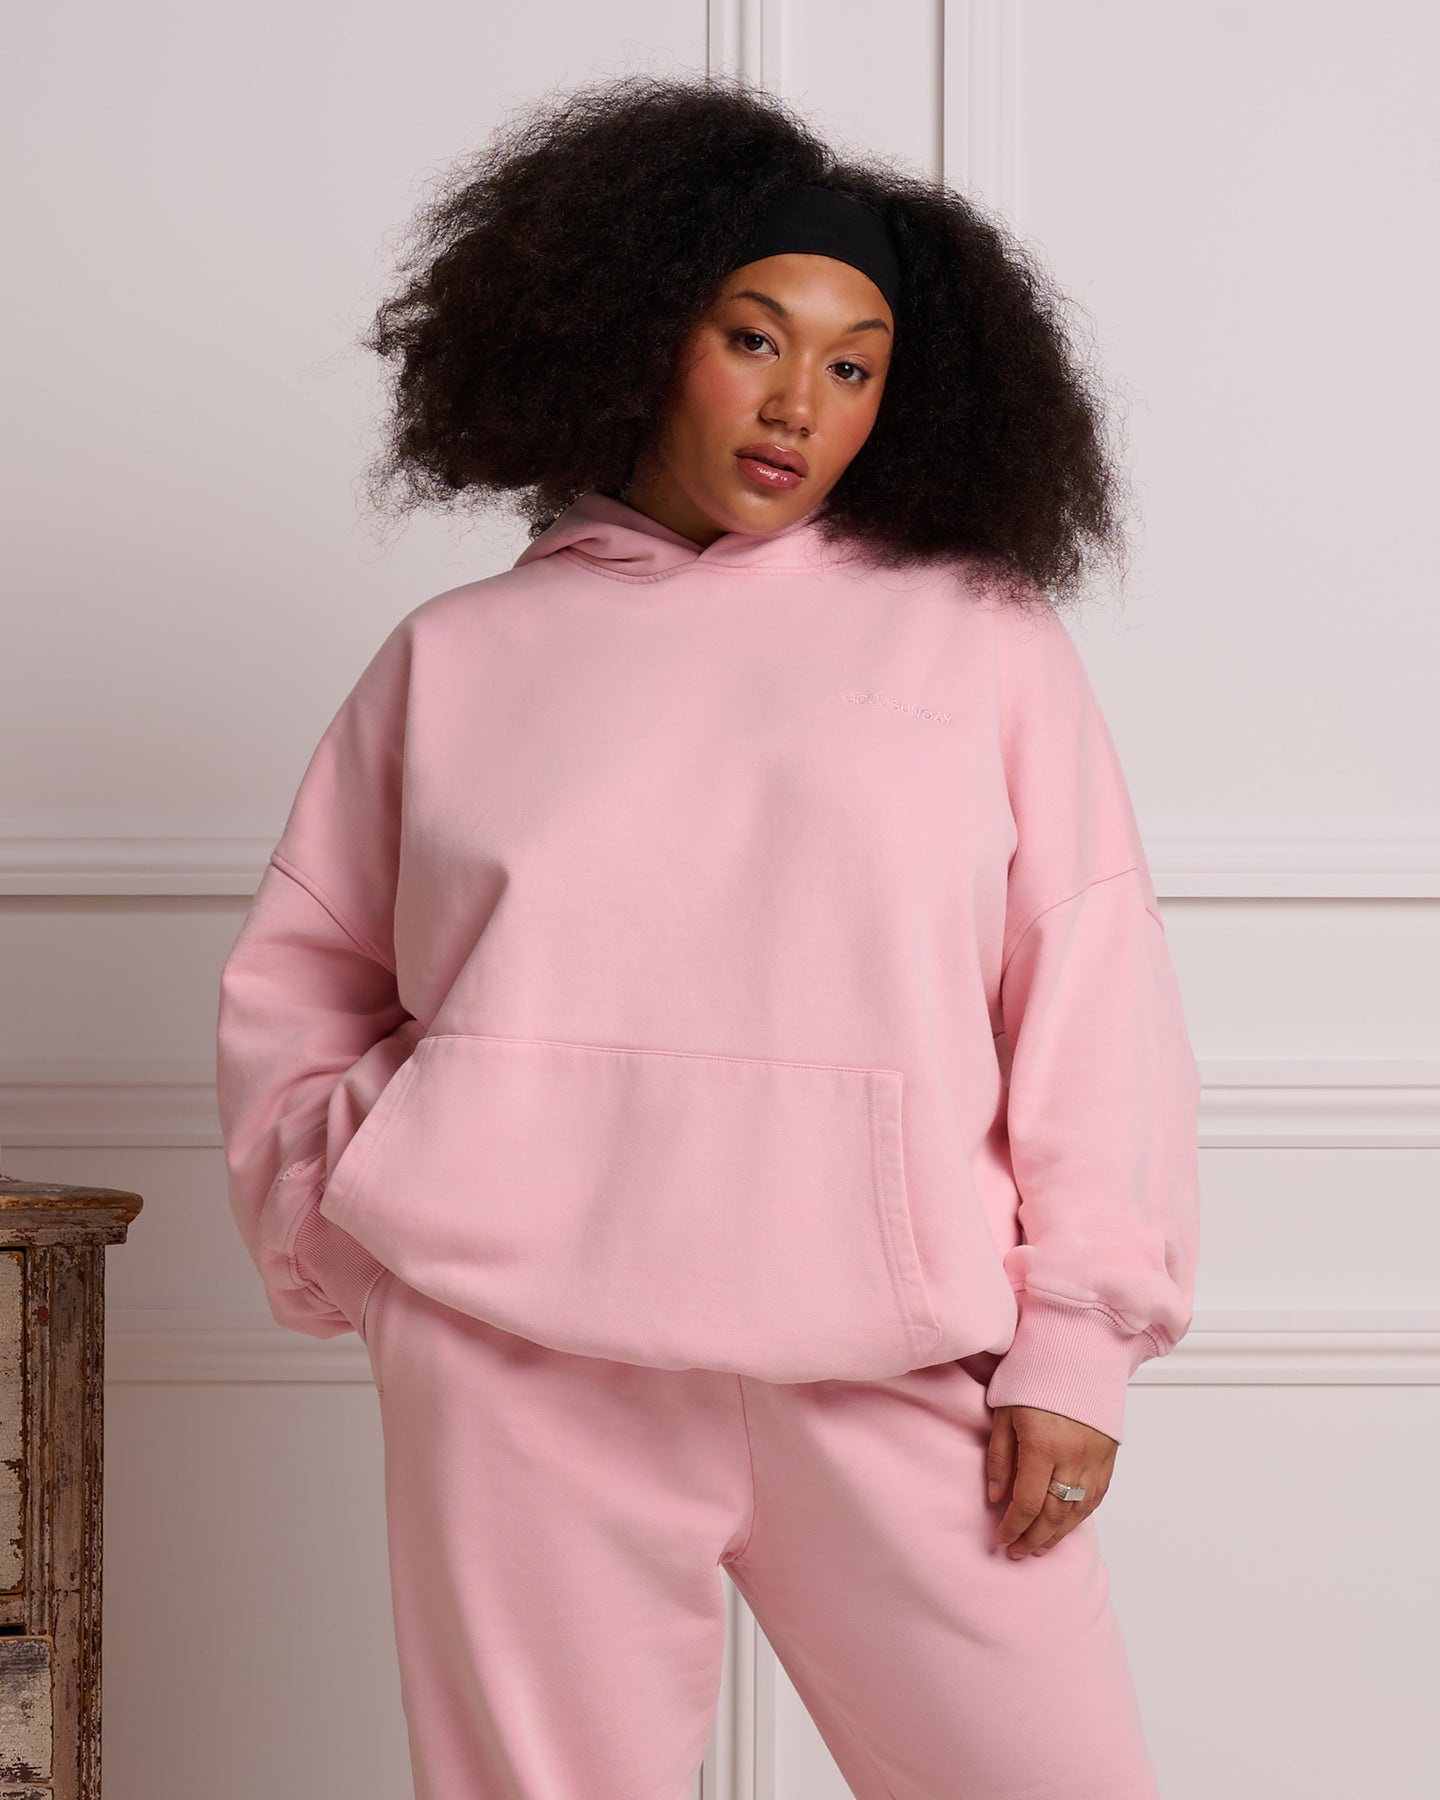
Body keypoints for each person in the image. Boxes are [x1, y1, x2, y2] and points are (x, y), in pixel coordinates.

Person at [216, 71, 1200, 1800]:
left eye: (854, 366)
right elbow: (303, 979)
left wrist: (1076, 1340)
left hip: (895, 1362)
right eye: (754, 339)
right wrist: (357, 1237)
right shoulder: (458, 658)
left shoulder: (980, 643)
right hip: (522, 1366)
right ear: (632, 333)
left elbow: (1091, 995)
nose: (799, 405)